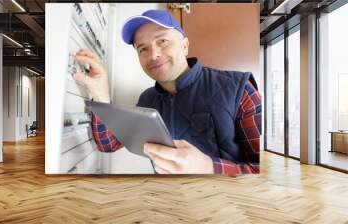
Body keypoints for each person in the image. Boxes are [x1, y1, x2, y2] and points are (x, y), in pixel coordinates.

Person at [73, 9, 261, 174]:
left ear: (185, 45)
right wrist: (101, 96)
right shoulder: (147, 100)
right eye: (143, 48)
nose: (153, 54)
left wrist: (207, 168)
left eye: (162, 41)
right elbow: (108, 145)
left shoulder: (240, 89)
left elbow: (263, 171)